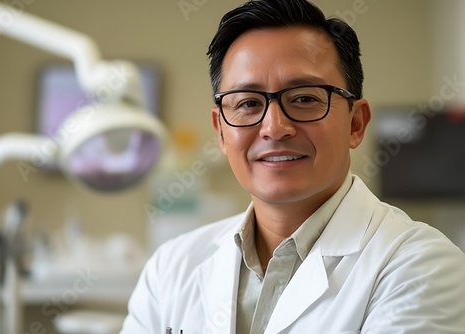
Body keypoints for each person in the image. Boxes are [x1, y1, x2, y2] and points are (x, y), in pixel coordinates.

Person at [120, 0, 465, 333]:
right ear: (221, 132)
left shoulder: (420, 266)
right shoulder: (170, 268)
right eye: (248, 103)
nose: (274, 127)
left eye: (304, 98)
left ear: (356, 123)